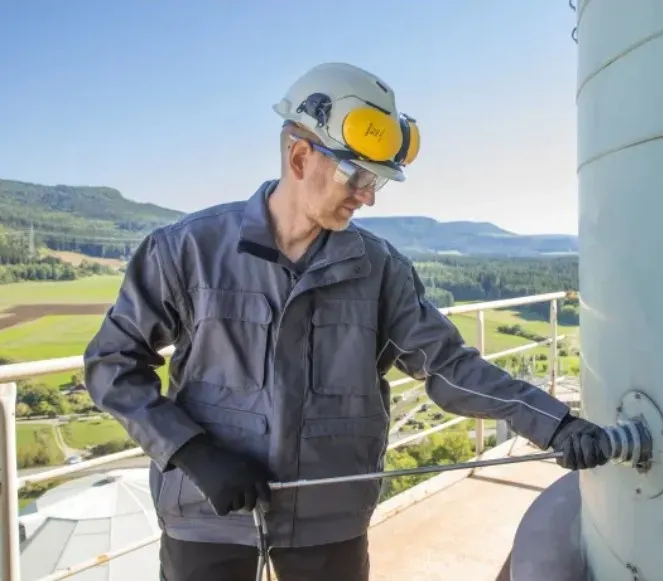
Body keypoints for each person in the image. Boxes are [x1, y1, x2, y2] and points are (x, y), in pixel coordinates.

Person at [83, 62, 610, 581]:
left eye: (377, 179)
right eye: (357, 175)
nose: (369, 196)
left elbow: (449, 367)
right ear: (299, 156)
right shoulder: (187, 251)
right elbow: (112, 365)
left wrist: (554, 424)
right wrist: (191, 451)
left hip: (327, 519)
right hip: (206, 514)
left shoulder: (379, 270)